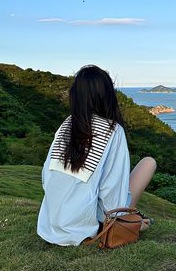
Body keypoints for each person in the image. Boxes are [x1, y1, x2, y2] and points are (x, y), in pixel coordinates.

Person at [37, 65, 157, 246]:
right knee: (149, 163)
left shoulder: (67, 124)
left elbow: (47, 178)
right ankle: (129, 222)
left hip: (50, 226)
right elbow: (111, 194)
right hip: (85, 231)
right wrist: (131, 223)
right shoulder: (112, 130)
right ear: (108, 95)